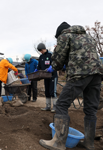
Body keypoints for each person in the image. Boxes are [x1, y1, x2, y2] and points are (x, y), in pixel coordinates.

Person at [39, 22, 103, 150]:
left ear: (60, 33)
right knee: (90, 109)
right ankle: (89, 143)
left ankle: (59, 142)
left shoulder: (65, 36)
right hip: (97, 74)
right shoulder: (88, 37)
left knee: (62, 104)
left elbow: (57, 63)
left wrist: (55, 60)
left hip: (80, 73)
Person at [37, 43, 58, 112]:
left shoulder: (51, 54)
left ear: (44, 48)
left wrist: (51, 68)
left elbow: (56, 63)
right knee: (47, 92)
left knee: (53, 92)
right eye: (40, 51)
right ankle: (48, 106)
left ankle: (55, 107)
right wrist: (36, 70)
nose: (41, 52)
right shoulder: (41, 57)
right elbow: (39, 66)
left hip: (52, 76)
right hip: (45, 76)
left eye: (41, 50)